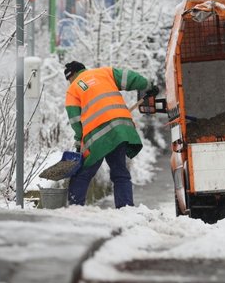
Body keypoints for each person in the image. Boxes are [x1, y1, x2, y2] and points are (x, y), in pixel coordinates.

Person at [62, 60, 157, 208]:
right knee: (120, 172)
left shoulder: (73, 89)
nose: (69, 82)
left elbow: (75, 121)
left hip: (97, 136)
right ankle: (126, 208)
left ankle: (75, 207)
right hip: (120, 130)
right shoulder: (104, 73)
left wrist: (79, 142)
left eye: (69, 79)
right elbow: (130, 77)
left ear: (72, 75)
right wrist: (148, 86)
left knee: (83, 173)